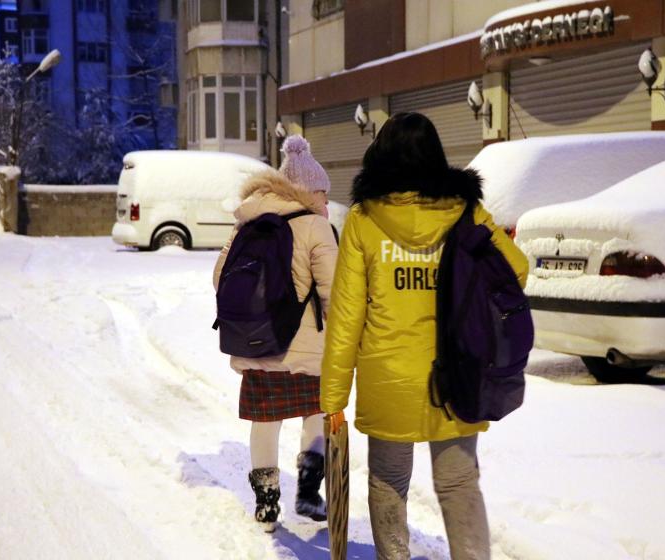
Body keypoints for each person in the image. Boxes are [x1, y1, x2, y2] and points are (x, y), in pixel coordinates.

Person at [321, 112, 529, 559]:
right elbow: (517, 270)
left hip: (388, 376)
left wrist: (333, 399)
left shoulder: (365, 219)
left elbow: (345, 318)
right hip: (457, 372)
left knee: (388, 482)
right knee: (458, 483)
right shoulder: (466, 212)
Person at [213, 135, 338, 530]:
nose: (325, 200)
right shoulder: (316, 226)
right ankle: (307, 487)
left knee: (265, 421)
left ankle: (266, 503)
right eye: (322, 192)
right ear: (306, 191)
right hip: (307, 351)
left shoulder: (248, 222)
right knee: (315, 413)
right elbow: (334, 291)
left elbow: (220, 278)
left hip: (257, 343)